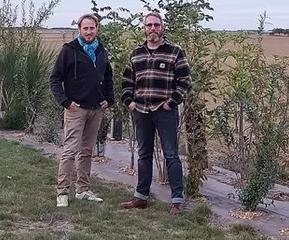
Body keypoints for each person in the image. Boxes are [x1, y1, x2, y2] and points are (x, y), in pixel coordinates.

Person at [119, 12, 192, 215]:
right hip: (141, 111)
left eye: (156, 25)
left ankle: (177, 200)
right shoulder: (136, 54)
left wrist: (171, 103)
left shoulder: (175, 52)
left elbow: (185, 82)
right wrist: (129, 102)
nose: (152, 28)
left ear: (162, 28)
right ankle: (141, 197)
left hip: (164, 111)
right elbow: (127, 82)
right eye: (149, 25)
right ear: (144, 28)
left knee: (171, 155)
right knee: (144, 154)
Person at [49, 13, 115, 207]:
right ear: (79, 30)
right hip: (75, 109)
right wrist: (65, 101)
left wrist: (109, 99)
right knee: (70, 150)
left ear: (97, 29)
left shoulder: (101, 51)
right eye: (85, 28)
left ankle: (83, 190)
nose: (88, 31)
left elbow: (108, 77)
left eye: (92, 28)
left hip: (96, 109)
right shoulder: (69, 50)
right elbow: (55, 79)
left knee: (86, 151)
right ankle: (62, 192)